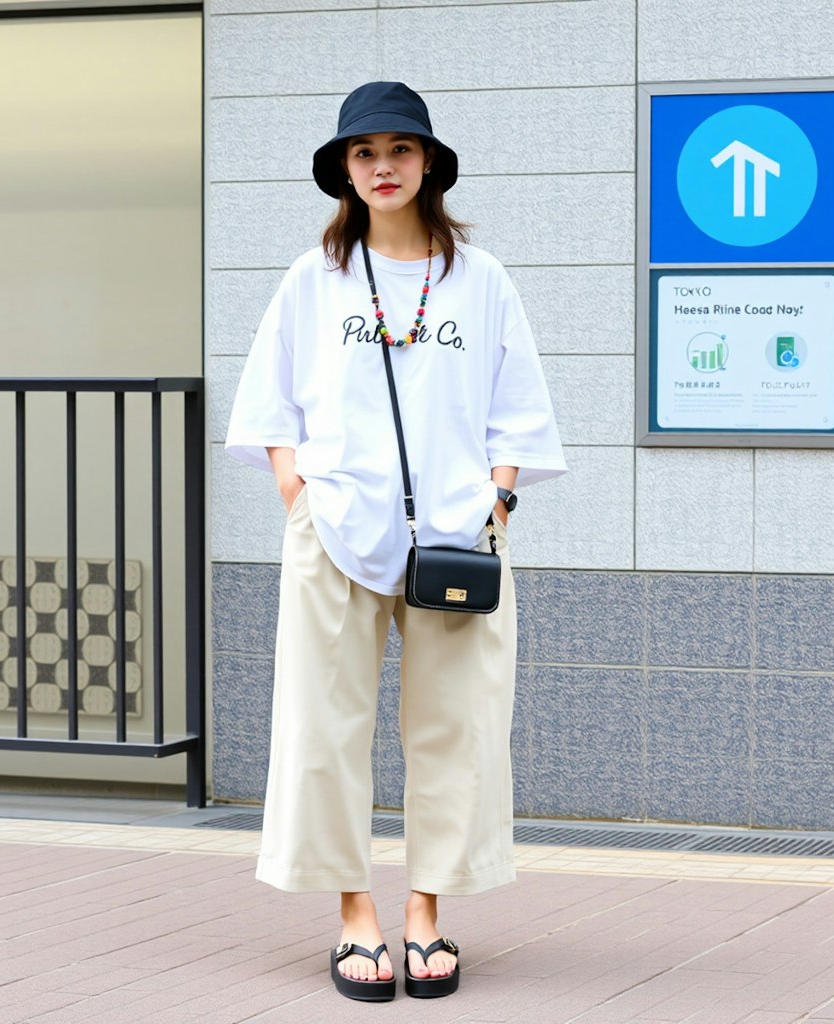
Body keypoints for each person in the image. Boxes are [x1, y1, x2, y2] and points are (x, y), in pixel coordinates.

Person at [225, 81, 566, 1002]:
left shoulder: (480, 278)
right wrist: (299, 492)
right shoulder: (315, 277)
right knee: (321, 730)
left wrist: (497, 507)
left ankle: (424, 914)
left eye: (400, 151)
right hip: (332, 532)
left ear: (429, 165)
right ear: (345, 168)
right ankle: (354, 918)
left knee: (458, 731)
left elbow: (519, 410)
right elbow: (270, 404)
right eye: (365, 152)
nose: (383, 167)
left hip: (459, 540)